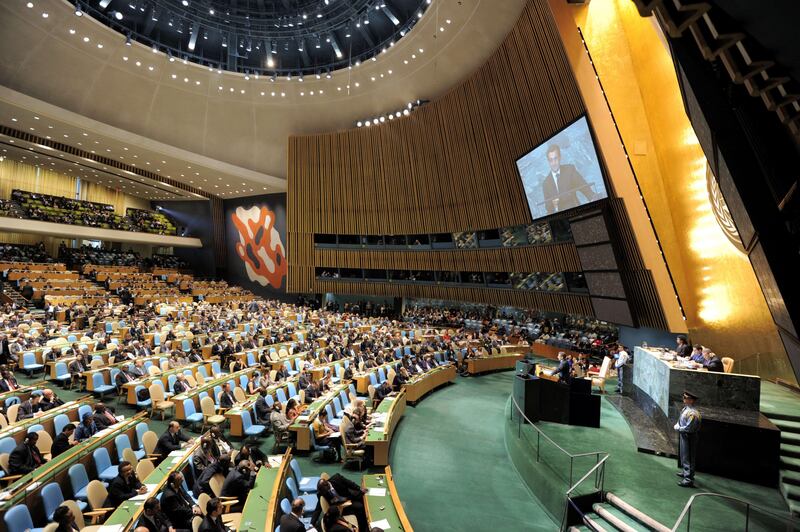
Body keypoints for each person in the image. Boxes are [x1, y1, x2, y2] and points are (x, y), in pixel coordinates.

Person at [540, 143, 597, 214]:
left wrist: (592, 198)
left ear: (560, 157)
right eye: (551, 160)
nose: (554, 163)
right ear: (548, 161)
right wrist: (555, 207)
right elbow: (549, 209)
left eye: (555, 158)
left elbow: (584, 187)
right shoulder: (546, 183)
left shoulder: (569, 170)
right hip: (560, 218)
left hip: (576, 212)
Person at [675, 391, 702, 487]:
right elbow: (681, 420)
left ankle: (688, 479)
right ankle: (686, 472)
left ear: (691, 400)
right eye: (684, 397)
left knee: (689, 457)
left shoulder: (693, 414)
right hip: (684, 435)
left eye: (686, 398)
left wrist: (679, 428)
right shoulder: (685, 409)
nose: (684, 399)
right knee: (684, 455)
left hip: (689, 436)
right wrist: (678, 424)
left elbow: (689, 428)